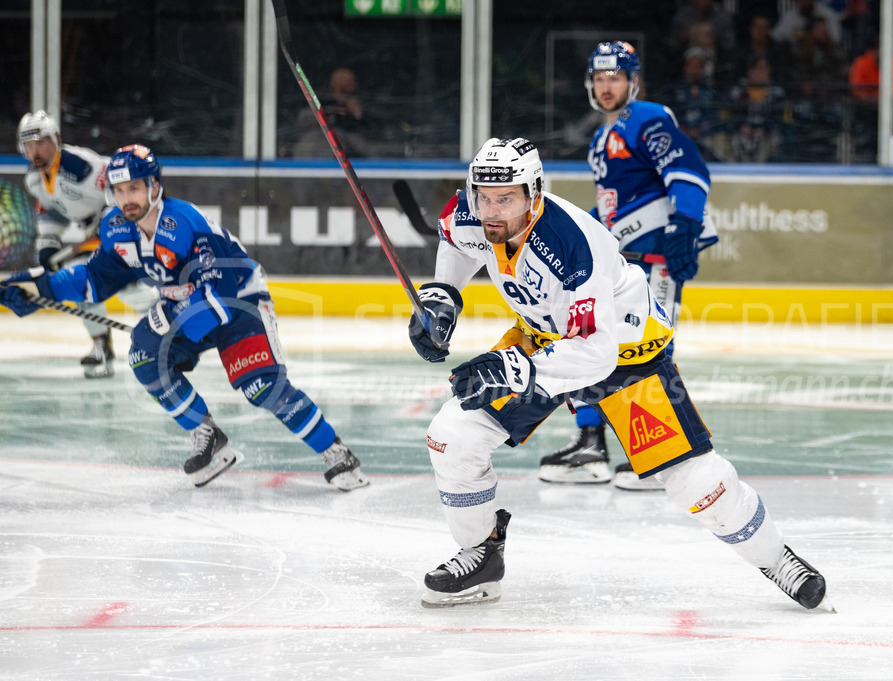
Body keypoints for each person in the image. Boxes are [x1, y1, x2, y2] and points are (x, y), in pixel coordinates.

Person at [407, 136, 831, 612]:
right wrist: (443, 296)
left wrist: (511, 367)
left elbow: (595, 353)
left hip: (625, 354)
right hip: (544, 338)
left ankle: (777, 559)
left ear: (535, 192)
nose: (491, 210)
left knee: (695, 480)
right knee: (453, 434)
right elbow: (460, 244)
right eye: (484, 196)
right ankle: (481, 557)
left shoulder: (571, 243)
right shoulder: (471, 210)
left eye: (506, 199)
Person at [1, 144, 368, 491]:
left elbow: (219, 291)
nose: (127, 199)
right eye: (119, 190)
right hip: (186, 307)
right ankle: (208, 436)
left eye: (134, 188)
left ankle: (338, 454)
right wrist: (40, 289)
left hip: (240, 304)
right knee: (144, 356)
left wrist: (171, 318)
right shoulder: (116, 228)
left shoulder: (184, 222)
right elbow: (94, 279)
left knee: (261, 387)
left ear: (154, 186)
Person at [542, 41, 718, 491]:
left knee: (649, 352)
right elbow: (612, 208)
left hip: (656, 259)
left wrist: (683, 228)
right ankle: (591, 444)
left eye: (614, 78)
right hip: (622, 265)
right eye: (599, 79)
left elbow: (689, 170)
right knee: (593, 342)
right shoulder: (601, 139)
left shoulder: (646, 118)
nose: (606, 86)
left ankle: (666, 457)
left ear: (632, 81)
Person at [16, 110, 155, 378]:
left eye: (41, 142)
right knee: (83, 285)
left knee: (125, 286)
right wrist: (48, 244)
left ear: (56, 139)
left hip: (124, 224)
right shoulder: (34, 179)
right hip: (95, 229)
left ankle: (173, 332)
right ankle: (101, 345)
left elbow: (124, 189)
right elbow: (51, 210)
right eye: (29, 144)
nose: (35, 150)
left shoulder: (81, 167)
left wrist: (110, 227)